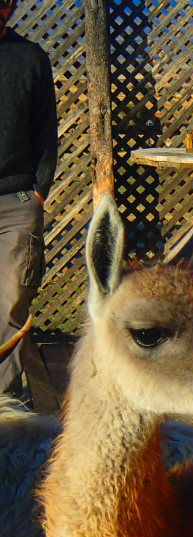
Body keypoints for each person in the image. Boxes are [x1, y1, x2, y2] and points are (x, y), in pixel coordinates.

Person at [0, 0, 56, 400]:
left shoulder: (30, 59)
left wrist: (37, 192)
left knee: (10, 306)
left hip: (14, 201)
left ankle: (5, 407)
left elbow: (45, 134)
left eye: (8, 2)